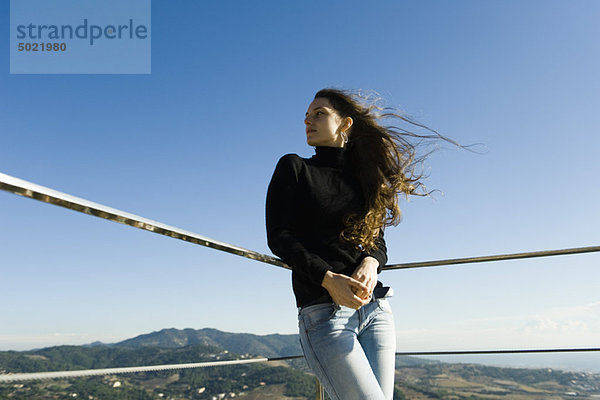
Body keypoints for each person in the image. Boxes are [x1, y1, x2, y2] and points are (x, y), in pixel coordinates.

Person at [265, 88, 438, 400]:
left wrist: (372, 263)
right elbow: (279, 236)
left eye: (319, 113)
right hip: (324, 314)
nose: (307, 119)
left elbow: (377, 242)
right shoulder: (295, 167)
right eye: (307, 114)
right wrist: (328, 280)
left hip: (377, 311)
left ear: (345, 124)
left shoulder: (364, 178)